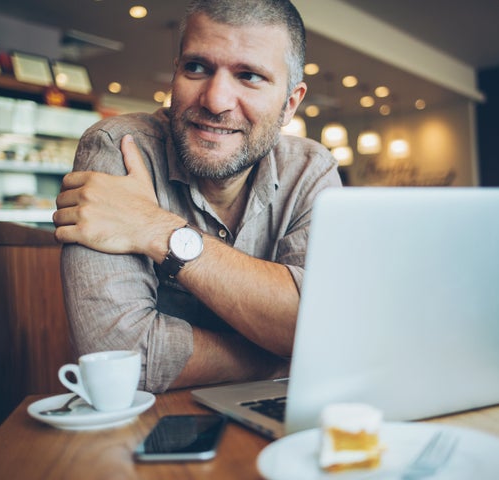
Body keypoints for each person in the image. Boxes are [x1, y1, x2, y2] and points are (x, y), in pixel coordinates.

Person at [52, 0, 342, 393]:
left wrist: (156, 229)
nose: (215, 100)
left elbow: (326, 328)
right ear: (176, 73)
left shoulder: (310, 170)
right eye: (197, 68)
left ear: (290, 104)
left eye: (249, 76)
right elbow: (120, 359)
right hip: (149, 430)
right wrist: (282, 354)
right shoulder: (118, 148)